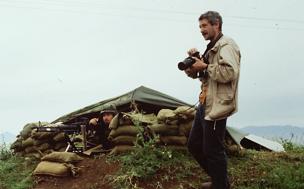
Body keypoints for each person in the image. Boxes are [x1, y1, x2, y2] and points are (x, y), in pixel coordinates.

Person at [185, 11, 241, 189]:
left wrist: (205, 66)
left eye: (204, 26)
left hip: (218, 105)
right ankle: (220, 181)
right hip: (206, 102)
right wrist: (195, 65)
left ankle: (220, 184)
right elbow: (202, 75)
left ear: (216, 24)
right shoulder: (212, 47)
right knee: (194, 144)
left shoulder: (227, 45)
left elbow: (230, 72)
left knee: (213, 150)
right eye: (200, 26)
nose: (201, 30)